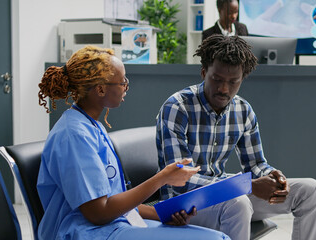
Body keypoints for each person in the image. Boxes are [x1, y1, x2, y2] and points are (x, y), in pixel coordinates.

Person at [36, 45, 230, 240]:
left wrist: (162, 215)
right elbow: (98, 213)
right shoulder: (74, 135)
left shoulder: (91, 127)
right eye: (122, 82)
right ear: (101, 89)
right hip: (87, 233)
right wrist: (162, 178)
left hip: (116, 225)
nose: (126, 87)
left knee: (217, 237)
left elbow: (113, 200)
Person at [156, 35, 316, 240]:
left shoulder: (243, 110)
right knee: (239, 202)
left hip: (225, 194)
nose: (224, 89)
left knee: (311, 190)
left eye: (232, 82)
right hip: (182, 205)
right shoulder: (177, 107)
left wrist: (272, 175)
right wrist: (248, 186)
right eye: (217, 79)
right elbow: (179, 179)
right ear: (203, 73)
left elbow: (255, 164)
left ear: (242, 78)